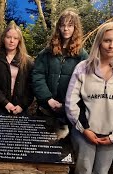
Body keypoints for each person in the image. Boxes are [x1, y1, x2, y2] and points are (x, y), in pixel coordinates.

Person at [65, 21, 113, 174]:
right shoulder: (83, 68)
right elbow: (71, 103)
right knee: (82, 173)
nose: (111, 46)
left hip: (111, 136)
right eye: (107, 40)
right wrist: (84, 129)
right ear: (99, 41)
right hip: (84, 132)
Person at [32, 8, 88, 138]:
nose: (66, 29)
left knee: (65, 152)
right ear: (58, 28)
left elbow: (85, 84)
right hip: (46, 110)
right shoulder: (47, 52)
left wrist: (67, 104)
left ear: (75, 28)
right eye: (62, 25)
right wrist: (48, 99)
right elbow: (37, 76)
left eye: (70, 25)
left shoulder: (82, 55)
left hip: (69, 113)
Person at [0, 21, 34, 115]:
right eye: (8, 37)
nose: (12, 41)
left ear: (19, 41)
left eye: (15, 38)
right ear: (3, 39)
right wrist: (5, 103)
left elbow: (31, 87)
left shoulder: (27, 61)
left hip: (20, 109)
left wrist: (22, 105)